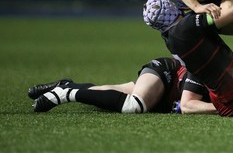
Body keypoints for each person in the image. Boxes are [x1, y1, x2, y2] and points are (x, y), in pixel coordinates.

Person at [29, 57, 217, 115]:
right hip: (167, 76)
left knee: (105, 94)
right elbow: (187, 106)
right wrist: (224, 108)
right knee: (134, 105)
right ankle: (65, 94)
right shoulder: (212, 65)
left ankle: (68, 85)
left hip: (168, 97)